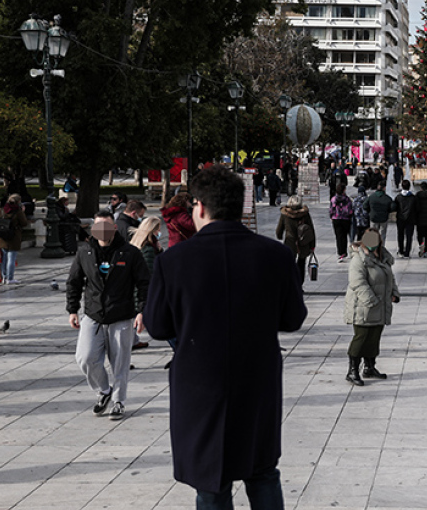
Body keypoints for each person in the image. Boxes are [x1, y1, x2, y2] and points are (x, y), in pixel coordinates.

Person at [143, 165, 308, 507]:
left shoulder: (173, 261)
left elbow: (158, 327)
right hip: (257, 379)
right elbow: (293, 319)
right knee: (261, 470)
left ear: (199, 207)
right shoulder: (276, 254)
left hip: (200, 384)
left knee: (210, 480)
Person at [66, 211, 150, 420]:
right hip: (93, 314)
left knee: (120, 362)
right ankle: (104, 390)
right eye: (98, 226)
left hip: (121, 314)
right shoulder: (85, 252)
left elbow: (144, 283)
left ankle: (119, 401)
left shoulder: (129, 253)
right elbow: (74, 282)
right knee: (85, 357)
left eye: (107, 225)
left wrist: (142, 311)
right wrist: (72, 309)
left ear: (114, 228)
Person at [343, 229, 399, 386]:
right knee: (361, 337)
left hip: (379, 305)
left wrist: (394, 293)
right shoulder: (358, 260)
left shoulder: (382, 257)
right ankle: (352, 371)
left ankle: (369, 367)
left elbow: (390, 277)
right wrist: (372, 301)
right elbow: (357, 283)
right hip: (364, 306)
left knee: (374, 337)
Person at [276, 195, 316, 282]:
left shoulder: (285, 214)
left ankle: (290, 283)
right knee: (301, 264)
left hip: (290, 242)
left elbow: (279, 228)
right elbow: (311, 230)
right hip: (303, 243)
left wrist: (279, 235)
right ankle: (299, 283)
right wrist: (312, 245)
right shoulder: (305, 214)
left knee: (290, 264)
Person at [0, 193, 29, 285]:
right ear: (18, 202)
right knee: (11, 258)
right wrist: (23, 212)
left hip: (2, 236)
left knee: (4, 258)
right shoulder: (18, 211)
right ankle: (10, 278)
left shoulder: (1, 210)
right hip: (13, 236)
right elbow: (24, 223)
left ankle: (4, 277)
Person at [392, 180, 418, 259]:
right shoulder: (413, 197)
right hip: (410, 219)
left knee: (400, 235)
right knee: (409, 236)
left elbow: (394, 207)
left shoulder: (398, 197)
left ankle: (401, 251)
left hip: (400, 219)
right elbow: (417, 208)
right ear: (409, 187)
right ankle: (407, 252)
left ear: (402, 186)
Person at [329, 183, 354, 262]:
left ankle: (340, 252)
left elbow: (331, 209)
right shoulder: (347, 199)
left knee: (338, 236)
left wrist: (331, 216)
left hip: (336, 219)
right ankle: (344, 252)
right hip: (345, 219)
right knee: (344, 236)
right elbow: (350, 209)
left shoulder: (333, 199)